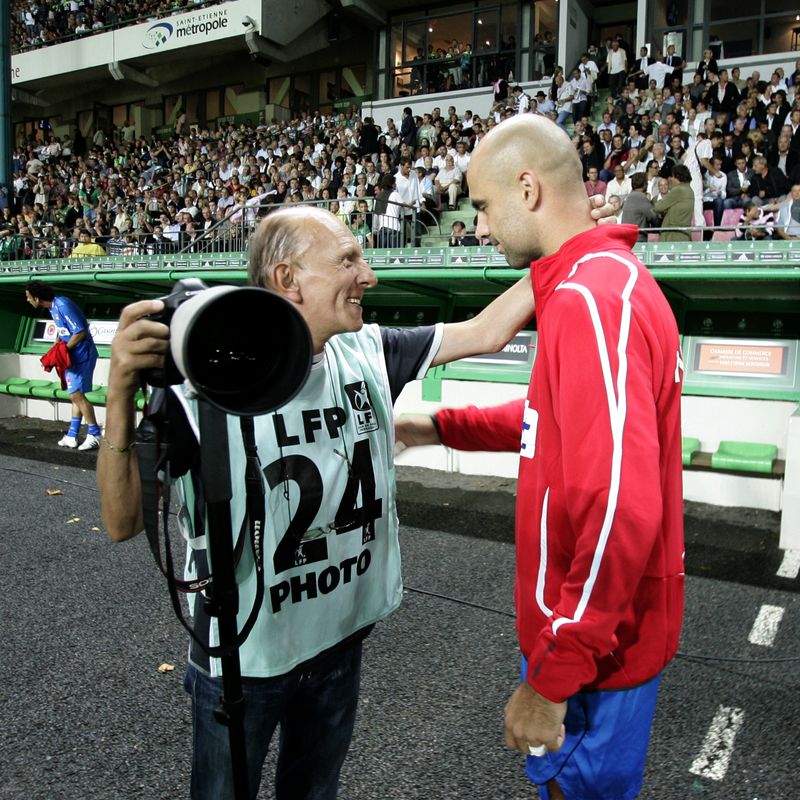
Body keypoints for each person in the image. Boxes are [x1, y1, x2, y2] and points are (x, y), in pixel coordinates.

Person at [96, 204, 543, 800]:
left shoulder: (370, 352)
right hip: (244, 661)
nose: (369, 276)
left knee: (314, 791)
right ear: (288, 279)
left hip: (339, 637)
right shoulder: (199, 379)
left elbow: (489, 330)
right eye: (349, 260)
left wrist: (565, 244)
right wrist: (119, 393)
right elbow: (121, 522)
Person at [395, 113, 684, 800]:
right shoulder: (599, 282)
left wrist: (553, 680)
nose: (482, 227)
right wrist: (439, 424)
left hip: (595, 658)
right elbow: (552, 426)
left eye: (484, 207)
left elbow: (621, 505)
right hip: (603, 640)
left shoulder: (591, 299)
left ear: (527, 189)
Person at [24, 281, 101, 450]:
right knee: (75, 395)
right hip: (73, 357)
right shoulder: (53, 307)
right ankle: (72, 435)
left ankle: (94, 433)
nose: (28, 300)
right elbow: (65, 328)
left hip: (82, 356)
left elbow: (80, 331)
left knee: (76, 395)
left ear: (37, 298)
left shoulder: (63, 304)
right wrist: (58, 342)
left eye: (28, 298)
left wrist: (63, 351)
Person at [654, 163, 695, 241]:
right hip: (683, 234)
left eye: (672, 176)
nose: (670, 179)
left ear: (678, 177)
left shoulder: (678, 190)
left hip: (672, 235)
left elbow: (658, 207)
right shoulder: (689, 190)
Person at [621, 171, 658, 239]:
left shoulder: (630, 196)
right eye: (646, 182)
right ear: (644, 184)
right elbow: (653, 216)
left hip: (628, 236)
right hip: (637, 238)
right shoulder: (640, 197)